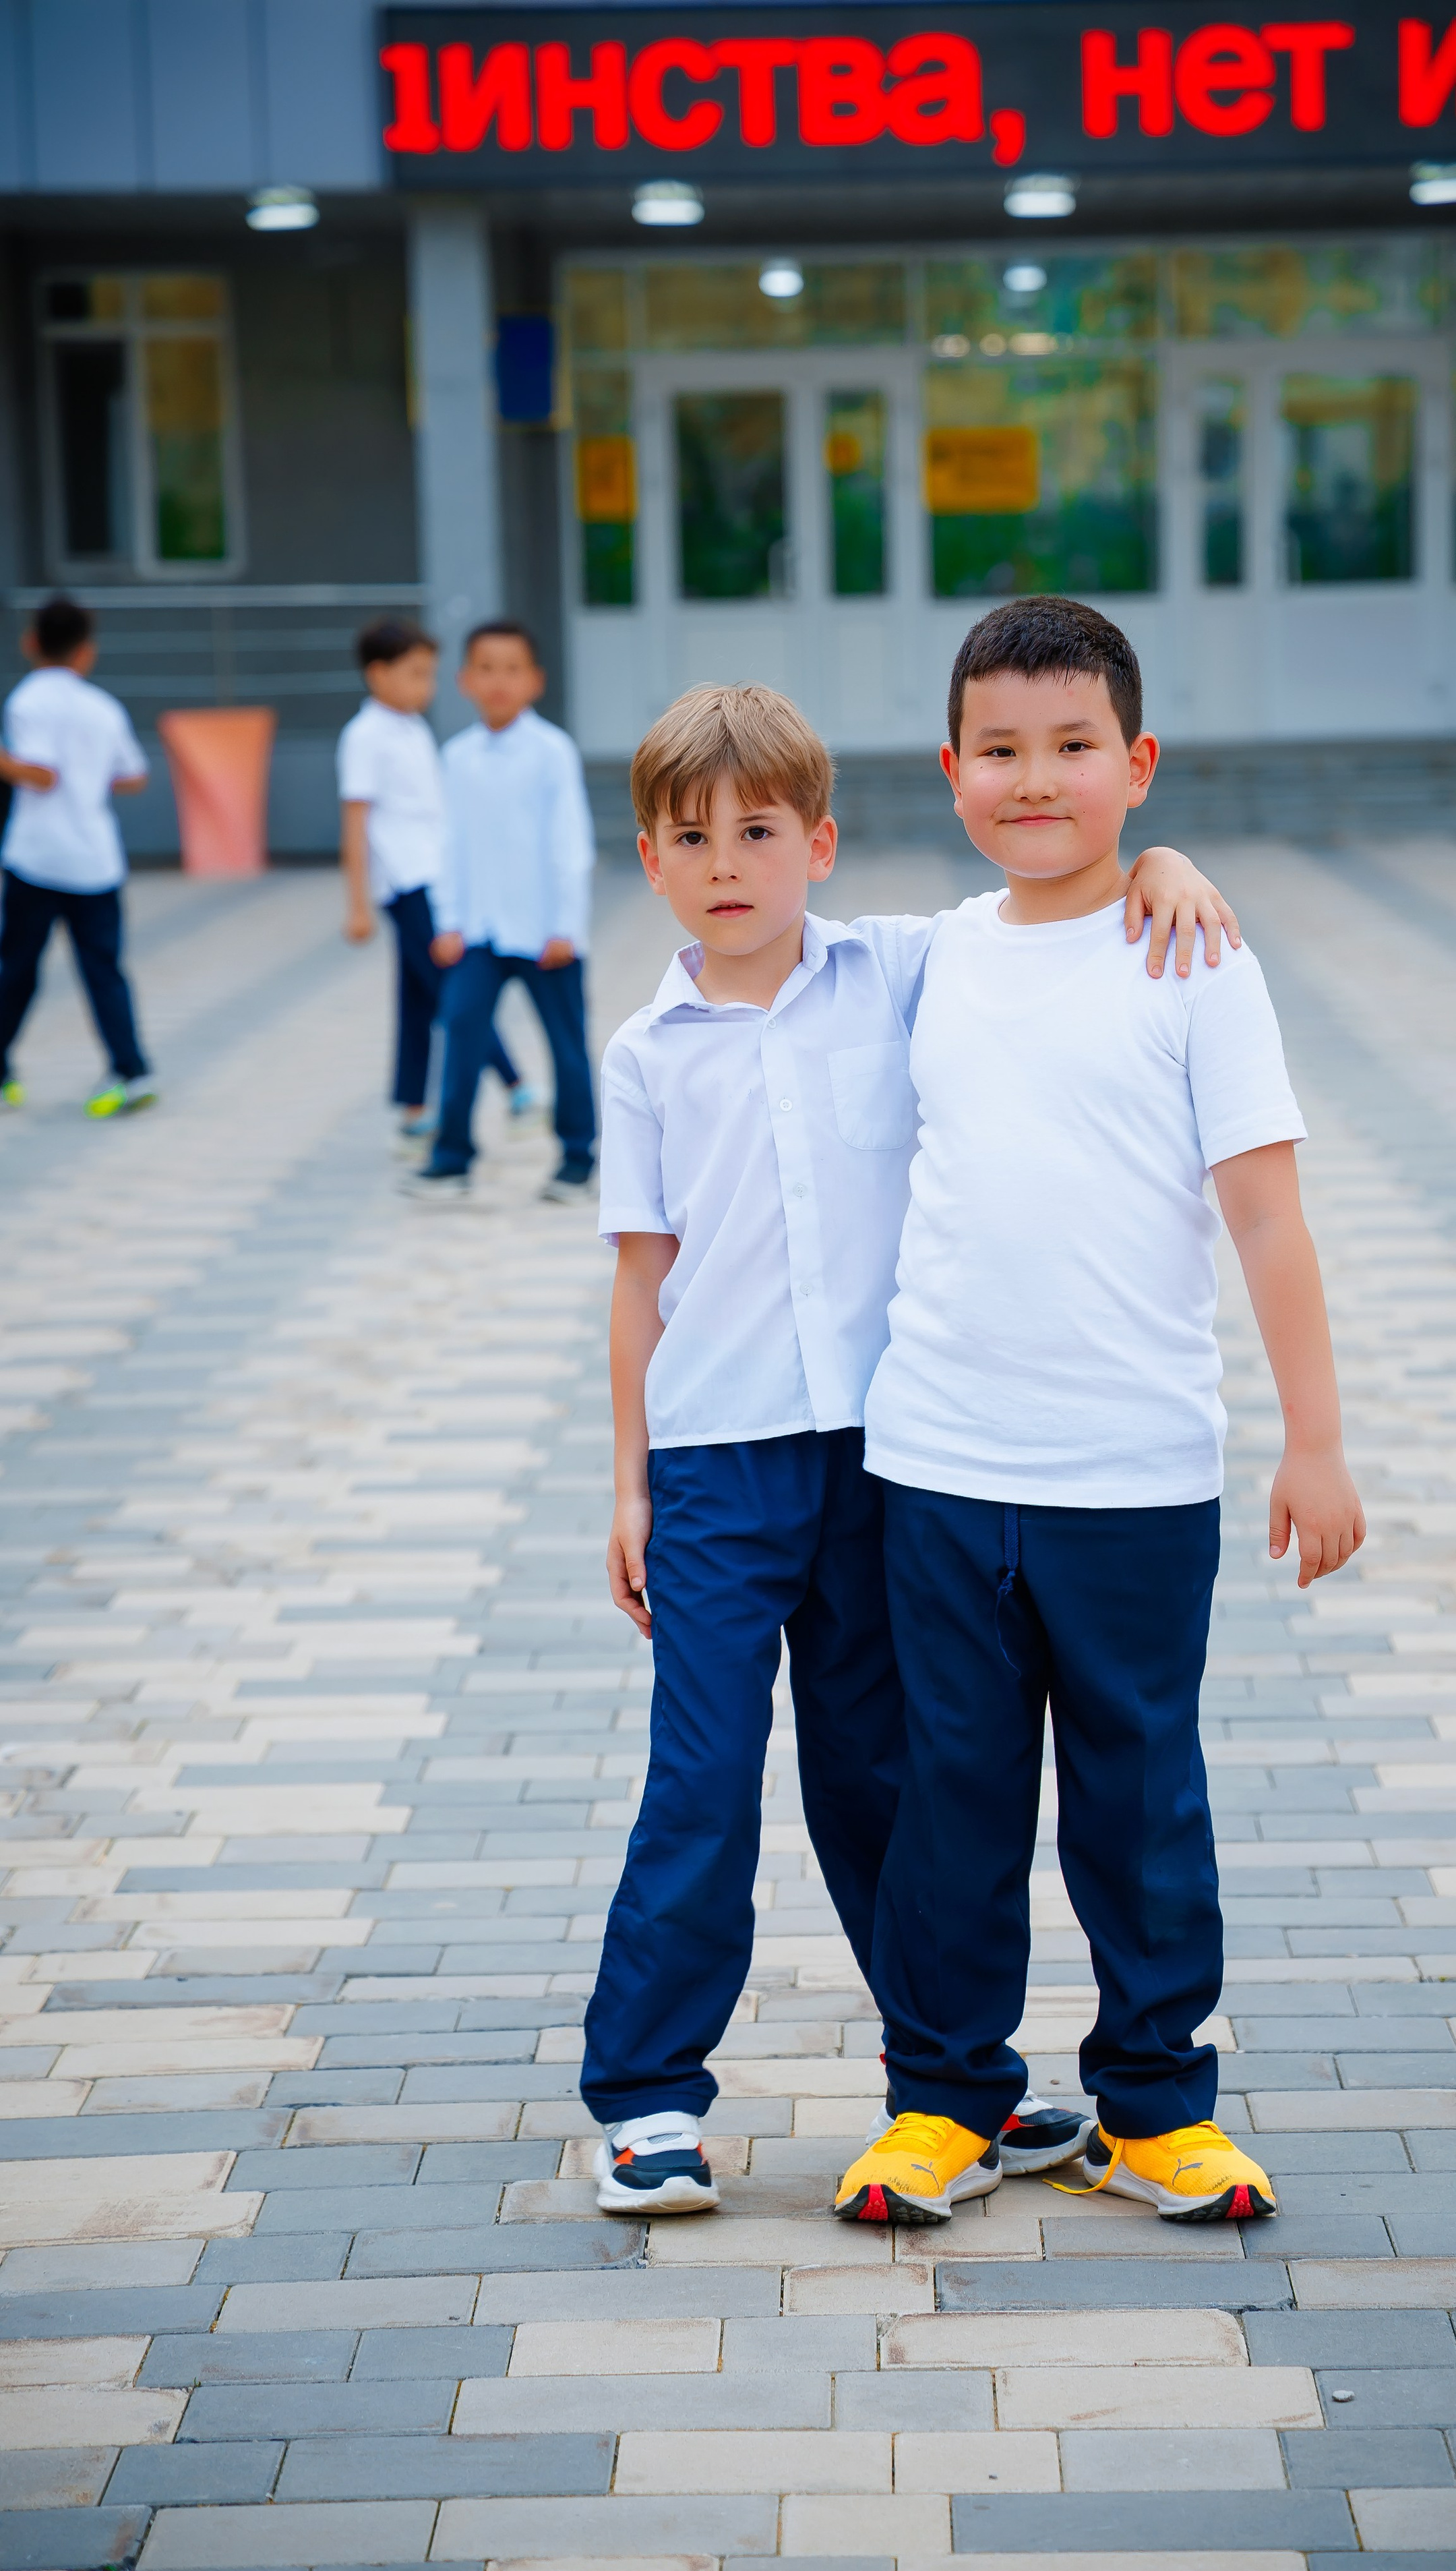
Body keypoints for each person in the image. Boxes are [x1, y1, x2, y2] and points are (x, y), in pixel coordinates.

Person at [580, 680, 1242, 2214]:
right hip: (714, 1474)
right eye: (692, 839)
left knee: (890, 1781)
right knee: (702, 1774)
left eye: (759, 831)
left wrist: (1165, 864)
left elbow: (1055, 886)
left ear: (820, 842)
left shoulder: (898, 970)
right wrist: (624, 1484)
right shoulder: (644, 1055)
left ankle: (947, 2081)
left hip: (882, 1467)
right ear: (651, 858)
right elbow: (637, 1280)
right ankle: (646, 2095)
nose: (727, 863)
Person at [837, 596, 1365, 2230]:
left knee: (1140, 1799)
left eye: (1073, 749)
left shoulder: (1192, 956)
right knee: (953, 1796)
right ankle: (945, 2098)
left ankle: (1152, 2102)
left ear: (1135, 765)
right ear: (949, 769)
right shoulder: (925, 958)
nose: (1034, 780)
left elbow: (1266, 1214)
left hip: (1131, 1475)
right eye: (999, 750)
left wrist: (1314, 1436)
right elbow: (746, 940)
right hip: (930, 1464)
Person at [404, 620, 597, 1205]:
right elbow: (450, 842)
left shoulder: (551, 751)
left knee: (565, 1043)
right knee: (460, 1028)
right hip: (479, 932)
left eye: (512, 669)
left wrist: (567, 925)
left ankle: (578, 1157)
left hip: (546, 935)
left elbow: (571, 841)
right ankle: (451, 1157)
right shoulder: (457, 756)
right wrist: (448, 922)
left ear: (535, 681)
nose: (499, 681)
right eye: (485, 668)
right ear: (464, 680)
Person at [336, 615, 527, 1150]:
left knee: (418, 996)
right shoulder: (364, 737)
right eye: (415, 674)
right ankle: (515, 1085)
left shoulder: (413, 728)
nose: (427, 686)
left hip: (435, 876)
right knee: (456, 989)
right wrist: (357, 904)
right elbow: (355, 823)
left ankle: (414, 1107)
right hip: (407, 883)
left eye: (430, 674)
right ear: (378, 674)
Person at [0, 596, 154, 1119]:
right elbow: (134, 777)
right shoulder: (103, 707)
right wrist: (94, 772)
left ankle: (1, 1070)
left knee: (18, 967)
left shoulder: (28, 701)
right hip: (95, 860)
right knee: (105, 970)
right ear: (86, 652)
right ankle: (132, 1071)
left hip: (39, 858)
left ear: (31, 643)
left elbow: (42, 774)